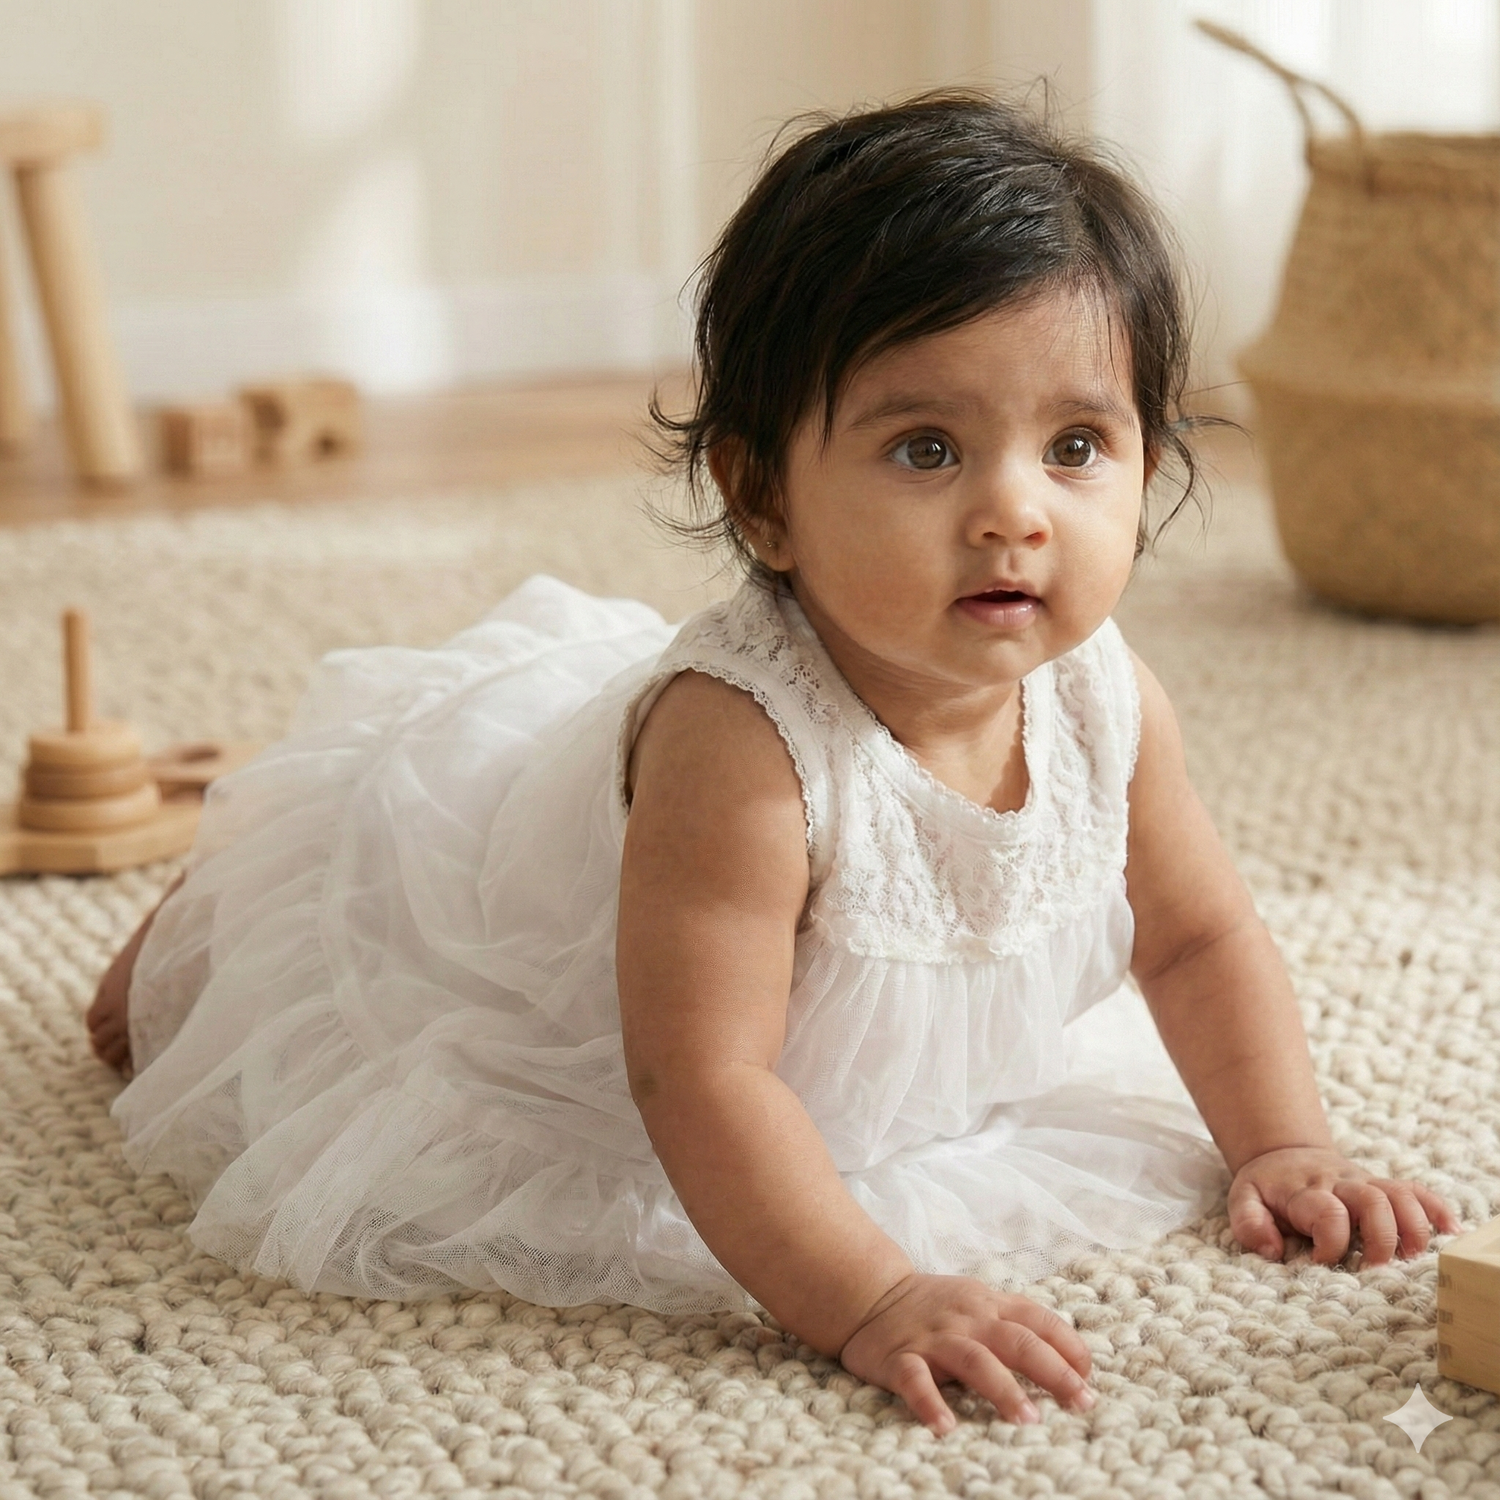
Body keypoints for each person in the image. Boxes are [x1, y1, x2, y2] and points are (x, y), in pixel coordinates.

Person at [87, 93, 1460, 1434]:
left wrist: (1285, 1143)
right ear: (762, 498)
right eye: (927, 448)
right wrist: (870, 1297)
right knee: (321, 919)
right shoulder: (740, 756)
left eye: (1078, 447)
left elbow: (1200, 936)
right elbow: (700, 1078)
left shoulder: (1109, 699)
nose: (1013, 513)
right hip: (540, 950)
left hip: (813, 1006)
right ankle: (213, 904)